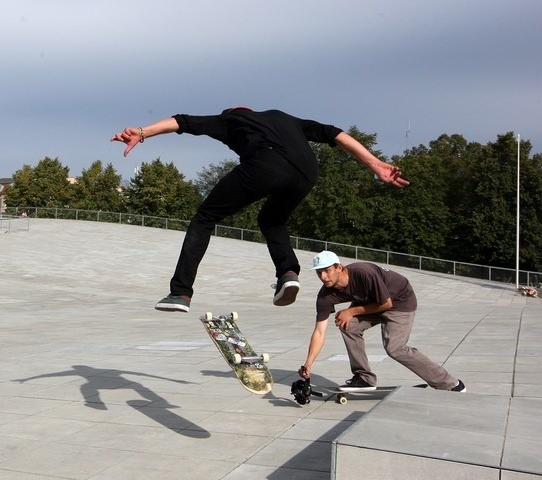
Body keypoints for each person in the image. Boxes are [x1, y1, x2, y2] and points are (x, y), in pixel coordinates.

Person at [111, 107, 409, 313]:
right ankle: (287, 273)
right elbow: (335, 134)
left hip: (266, 165)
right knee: (272, 219)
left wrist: (141, 131)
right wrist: (376, 164)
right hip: (307, 171)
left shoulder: (228, 121)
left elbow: (181, 122)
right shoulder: (283, 118)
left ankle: (180, 292)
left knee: (205, 218)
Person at [298, 250, 466, 392]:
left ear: (339, 267)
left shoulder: (363, 272)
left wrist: (351, 310)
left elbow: (386, 304)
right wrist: (308, 363)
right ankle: (364, 378)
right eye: (319, 272)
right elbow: (319, 331)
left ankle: (450, 384)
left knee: (395, 348)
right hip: (370, 302)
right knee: (348, 325)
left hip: (399, 301)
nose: (323, 276)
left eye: (327, 271)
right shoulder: (325, 296)